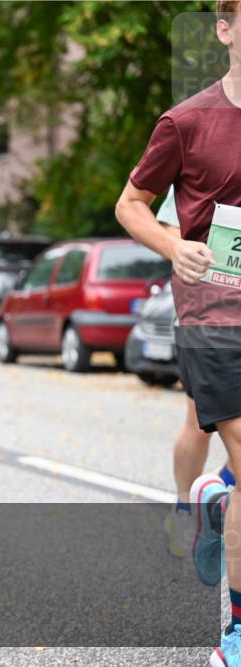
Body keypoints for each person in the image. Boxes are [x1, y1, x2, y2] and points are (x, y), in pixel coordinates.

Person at [114, 2, 240, 664]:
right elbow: (129, 203)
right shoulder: (188, 121)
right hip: (212, 310)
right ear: (224, 29)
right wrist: (173, 244)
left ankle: (214, 498)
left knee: (215, 438)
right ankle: (236, 633)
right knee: (210, 429)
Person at [156, 187, 236, 557]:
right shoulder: (202, 157)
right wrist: (190, 254)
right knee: (201, 425)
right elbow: (168, 230)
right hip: (204, 319)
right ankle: (186, 510)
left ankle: (214, 493)